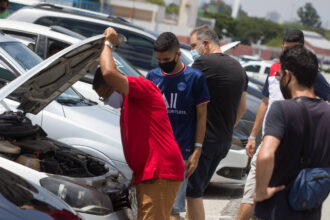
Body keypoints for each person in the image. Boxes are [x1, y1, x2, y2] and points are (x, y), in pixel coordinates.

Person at [237, 28, 330, 220]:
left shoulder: (283, 108)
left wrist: (262, 192)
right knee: (248, 201)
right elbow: (264, 102)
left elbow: (266, 156)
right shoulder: (325, 113)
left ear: (287, 77)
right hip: (308, 206)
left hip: (277, 202)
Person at [93, 27, 185, 220]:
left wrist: (107, 44)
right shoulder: (128, 103)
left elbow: (109, 72)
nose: (107, 101)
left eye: (106, 95)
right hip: (149, 174)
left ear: (115, 85)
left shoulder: (143, 88)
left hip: (160, 172)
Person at [146, 32, 210, 220]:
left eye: (166, 59)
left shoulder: (195, 78)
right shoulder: (152, 76)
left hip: (180, 153)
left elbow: (202, 115)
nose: (162, 62)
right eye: (158, 59)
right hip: (155, 154)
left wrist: (197, 150)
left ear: (178, 54)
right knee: (154, 205)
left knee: (173, 209)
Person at [187, 26, 247, 220]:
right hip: (223, 141)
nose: (193, 51)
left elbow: (185, 96)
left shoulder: (204, 63)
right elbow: (243, 107)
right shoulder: (238, 68)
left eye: (194, 45)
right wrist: (227, 127)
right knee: (197, 190)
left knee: (192, 193)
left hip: (203, 142)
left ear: (206, 43)